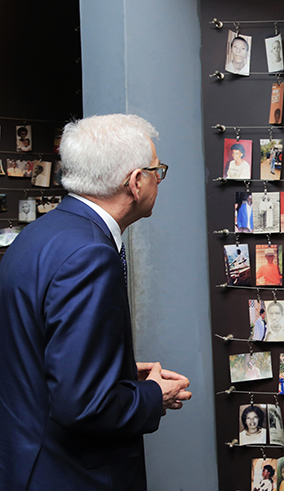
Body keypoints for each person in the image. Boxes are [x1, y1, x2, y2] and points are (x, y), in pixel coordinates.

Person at [0, 114, 193, 490]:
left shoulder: (38, 234)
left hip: (24, 463)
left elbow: (35, 349)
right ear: (136, 182)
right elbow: (83, 405)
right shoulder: (90, 254)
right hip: (68, 474)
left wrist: (113, 368)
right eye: (158, 171)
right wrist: (154, 394)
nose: (159, 180)